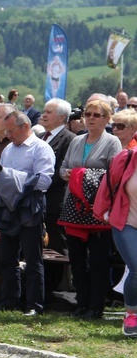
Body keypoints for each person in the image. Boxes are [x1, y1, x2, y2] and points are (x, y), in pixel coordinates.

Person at [57, 99, 121, 319]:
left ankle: (96, 306)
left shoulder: (112, 142)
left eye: (97, 115)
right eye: (88, 114)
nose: (91, 118)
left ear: (107, 119)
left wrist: (84, 174)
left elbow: (114, 176)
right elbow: (63, 167)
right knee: (76, 258)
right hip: (74, 207)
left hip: (97, 210)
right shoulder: (76, 141)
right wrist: (67, 173)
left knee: (98, 261)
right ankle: (81, 303)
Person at [0, 110, 55, 316]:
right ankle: (9, 300)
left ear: (25, 127)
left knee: (32, 257)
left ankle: (34, 304)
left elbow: (45, 180)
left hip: (30, 206)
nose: (8, 135)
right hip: (8, 206)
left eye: (11, 130)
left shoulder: (41, 148)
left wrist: (10, 177)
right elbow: (2, 180)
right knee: (7, 256)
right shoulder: (8, 149)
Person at [94, 148, 137, 336]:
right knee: (136, 269)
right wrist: (104, 210)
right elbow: (108, 184)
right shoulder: (127, 157)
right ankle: (132, 314)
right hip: (126, 222)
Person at [38, 98, 76, 301]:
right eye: (43, 111)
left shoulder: (68, 139)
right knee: (43, 247)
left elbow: (59, 171)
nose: (43, 114)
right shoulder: (42, 137)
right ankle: (46, 287)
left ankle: (60, 290)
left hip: (55, 201)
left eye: (48, 112)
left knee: (57, 247)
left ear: (62, 117)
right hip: (40, 201)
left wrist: (34, 182)